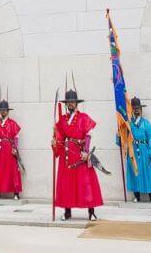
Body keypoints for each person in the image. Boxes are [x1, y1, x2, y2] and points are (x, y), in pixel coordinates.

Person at [53, 89, 103, 221]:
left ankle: (91, 211)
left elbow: (88, 134)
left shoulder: (83, 117)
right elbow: (59, 137)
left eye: (73, 102)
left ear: (76, 103)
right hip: (67, 155)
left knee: (86, 182)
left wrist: (86, 151)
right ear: (66, 104)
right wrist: (54, 142)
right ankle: (67, 211)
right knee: (66, 183)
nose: (70, 104)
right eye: (68, 102)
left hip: (80, 154)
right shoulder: (62, 120)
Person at [119, 97, 151, 203]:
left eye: (138, 108)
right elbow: (123, 136)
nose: (137, 110)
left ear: (141, 109)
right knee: (134, 172)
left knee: (149, 171)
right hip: (132, 150)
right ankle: (137, 196)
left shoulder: (146, 123)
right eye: (134, 108)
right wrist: (120, 131)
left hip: (144, 150)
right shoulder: (128, 124)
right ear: (131, 109)